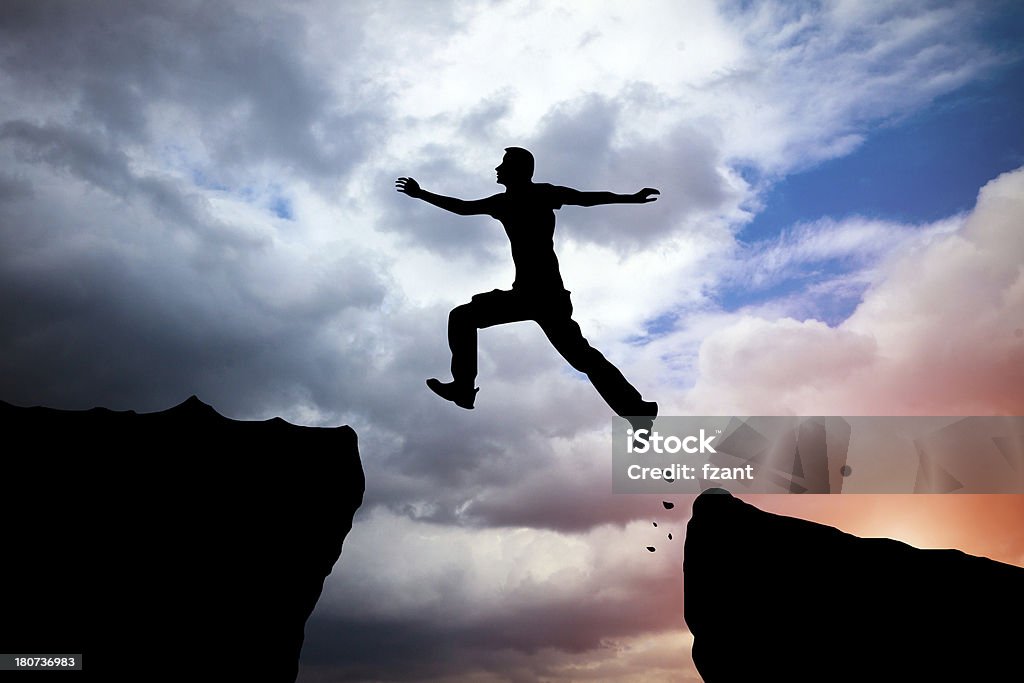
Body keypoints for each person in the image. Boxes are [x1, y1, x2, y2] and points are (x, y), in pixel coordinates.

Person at [396, 147, 658, 430]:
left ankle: (463, 387)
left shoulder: (540, 194)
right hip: (532, 295)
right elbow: (462, 207)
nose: (497, 168)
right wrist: (421, 194)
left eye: (503, 164)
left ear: (518, 170)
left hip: (542, 296)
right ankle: (636, 410)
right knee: (465, 318)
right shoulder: (505, 202)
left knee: (465, 318)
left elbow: (586, 199)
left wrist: (630, 198)